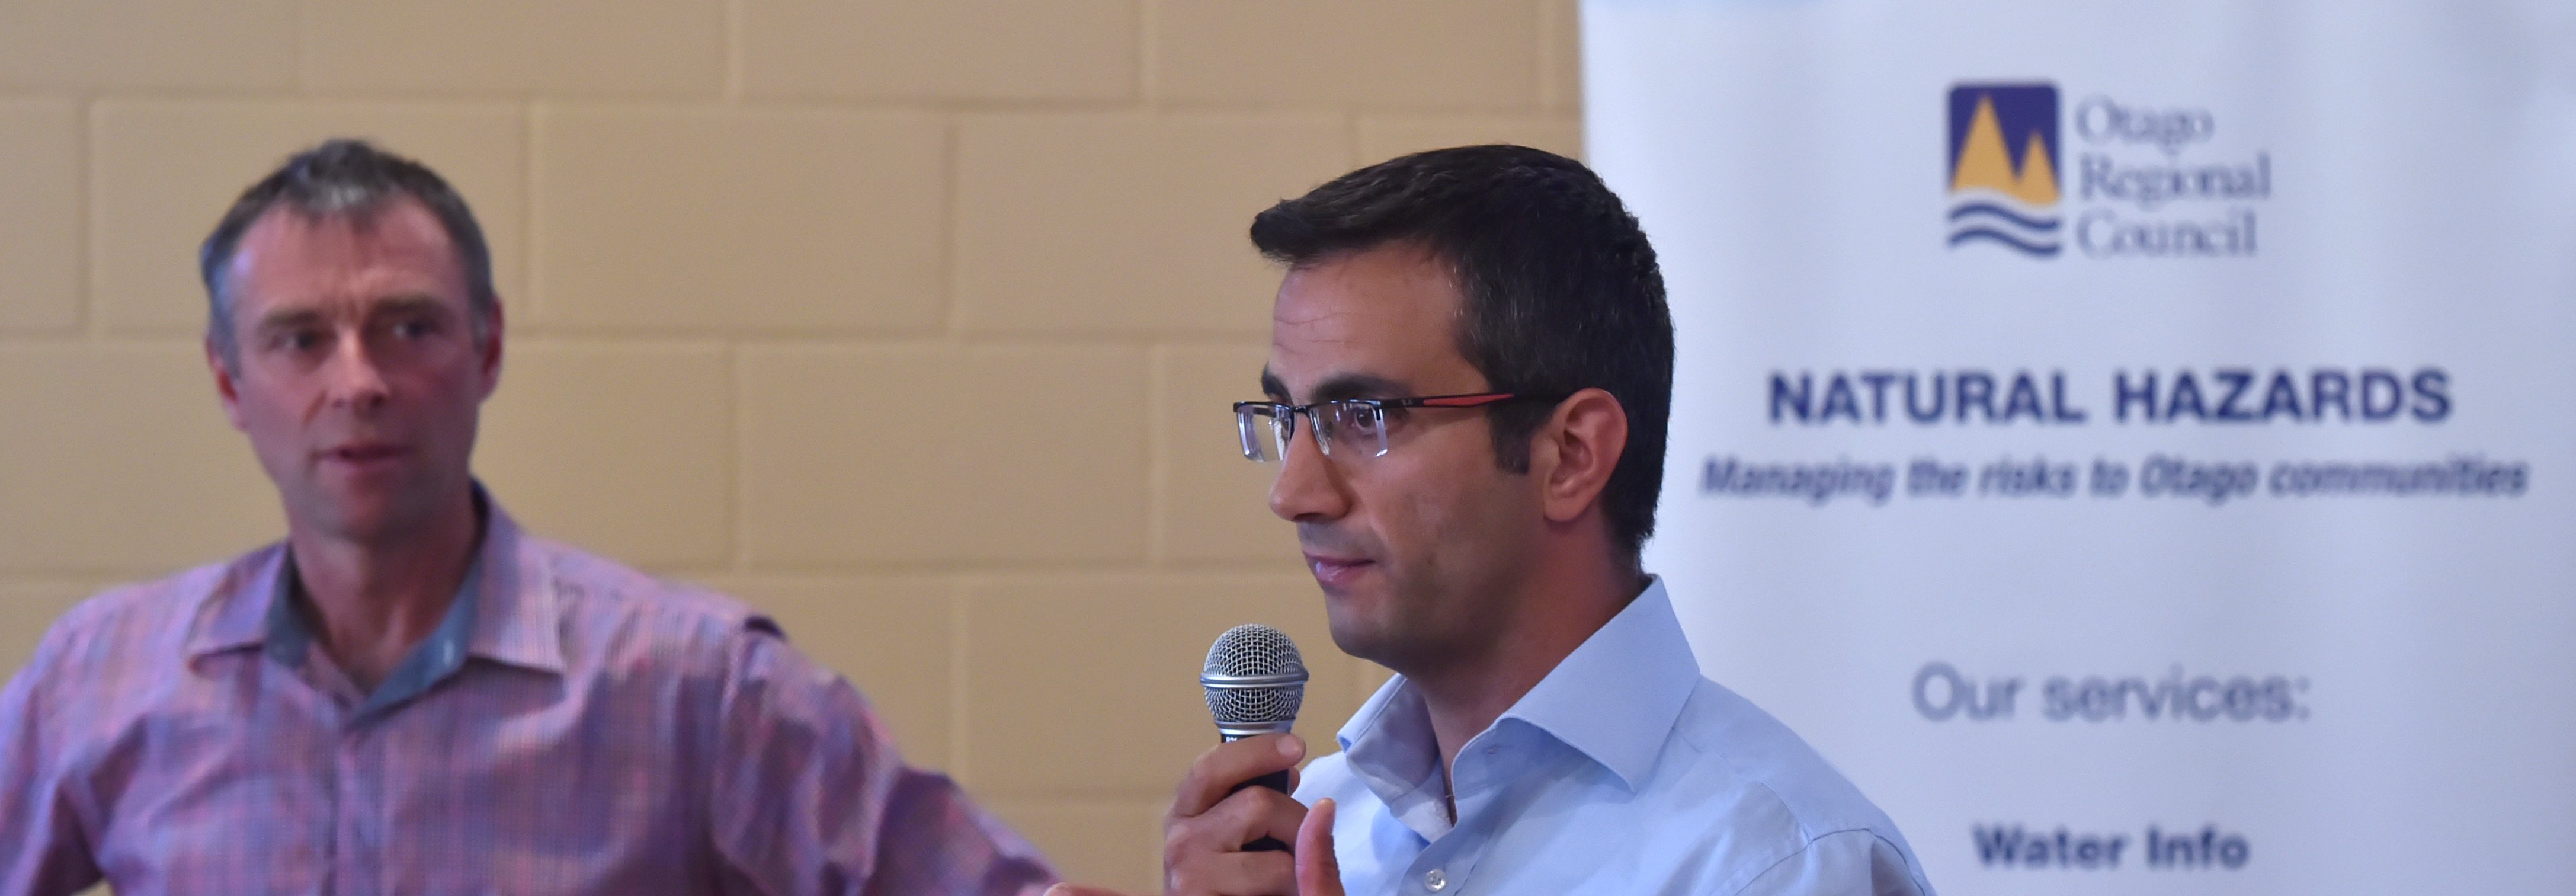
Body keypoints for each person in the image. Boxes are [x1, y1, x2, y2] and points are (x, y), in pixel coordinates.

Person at [0, 139, 1053, 895]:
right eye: (301, 339)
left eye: (408, 327)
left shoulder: (693, 687)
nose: (359, 381)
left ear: (489, 350)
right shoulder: (102, 679)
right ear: (229, 382)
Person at [1053, 146, 1934, 895]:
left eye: (1366, 418)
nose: (1295, 493)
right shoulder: (1318, 829)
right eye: (1285, 417)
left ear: (1572, 455)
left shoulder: (1775, 865)